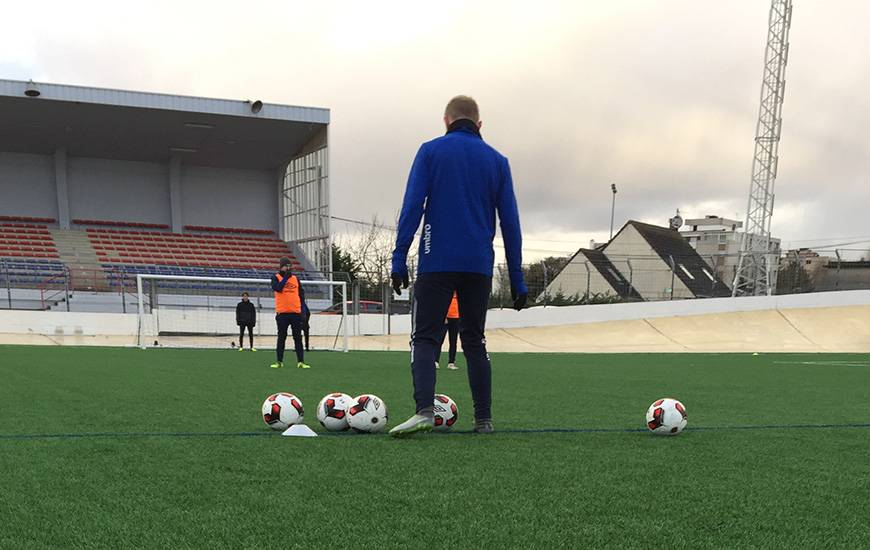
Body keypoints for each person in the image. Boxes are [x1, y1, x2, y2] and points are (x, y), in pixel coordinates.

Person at [388, 95, 527, 437]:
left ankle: (424, 411)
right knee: (474, 340)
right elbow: (510, 222)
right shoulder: (498, 161)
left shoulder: (431, 151)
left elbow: (412, 207)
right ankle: (484, 420)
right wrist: (518, 280)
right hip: (478, 265)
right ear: (480, 125)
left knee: (425, 338)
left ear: (446, 121)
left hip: (437, 259)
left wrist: (399, 256)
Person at [269, 257, 311, 370]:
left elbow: (301, 296)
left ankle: (301, 361)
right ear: (281, 267)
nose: (288, 268)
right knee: (281, 337)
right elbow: (277, 288)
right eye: (286, 266)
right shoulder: (275, 277)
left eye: (289, 266)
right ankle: (279, 361)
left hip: (295, 314)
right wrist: (285, 279)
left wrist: (303, 310)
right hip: (282, 314)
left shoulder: (296, 279)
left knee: (298, 338)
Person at [436, 291, 460, 370]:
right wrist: (444, 316)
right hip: (446, 319)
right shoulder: (446, 292)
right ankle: (436, 361)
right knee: (440, 340)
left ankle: (451, 363)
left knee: (453, 341)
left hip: (456, 319)